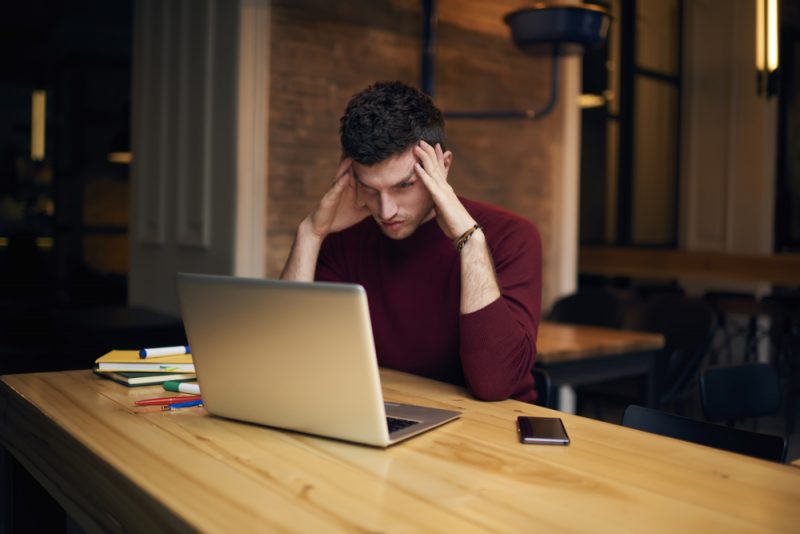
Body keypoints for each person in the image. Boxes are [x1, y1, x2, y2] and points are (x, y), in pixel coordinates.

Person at [281, 81, 542, 403]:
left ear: (442, 166)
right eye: (370, 189)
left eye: (404, 186)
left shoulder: (512, 236)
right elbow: (288, 365)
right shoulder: (343, 239)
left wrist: (471, 243)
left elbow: (494, 385)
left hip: (496, 428)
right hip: (389, 413)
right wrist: (311, 233)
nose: (386, 210)